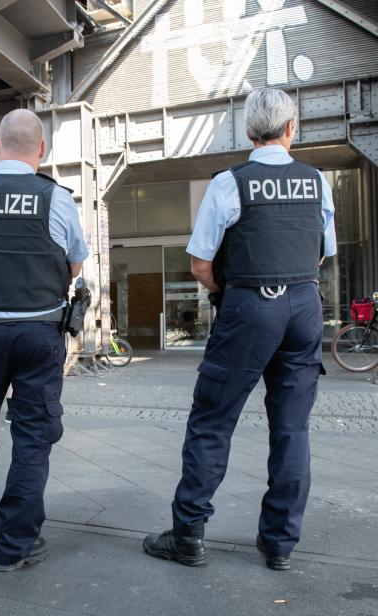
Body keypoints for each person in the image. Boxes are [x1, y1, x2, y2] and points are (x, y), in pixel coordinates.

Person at [142, 88, 337, 571]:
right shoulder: (316, 182)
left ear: (249, 132)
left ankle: (187, 533)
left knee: (213, 419)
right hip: (304, 302)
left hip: (250, 304)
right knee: (292, 428)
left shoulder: (231, 183)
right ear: (293, 129)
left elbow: (200, 264)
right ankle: (280, 544)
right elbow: (320, 252)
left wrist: (230, 295)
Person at [0, 109, 89, 572]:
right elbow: (73, 265)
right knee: (32, 438)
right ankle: (16, 546)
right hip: (40, 335)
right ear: (41, 149)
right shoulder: (56, 198)